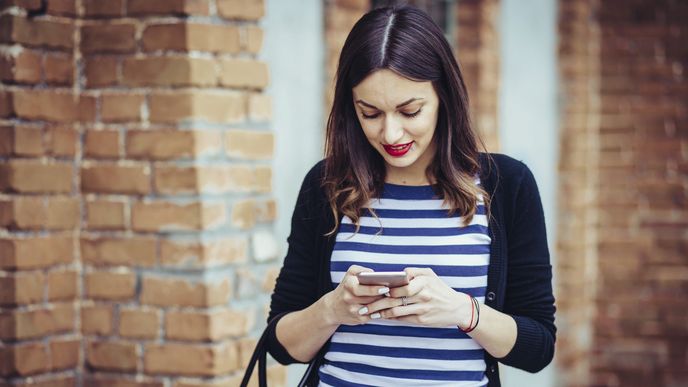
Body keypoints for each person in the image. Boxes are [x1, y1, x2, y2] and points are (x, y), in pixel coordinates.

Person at [266, 5, 556, 387]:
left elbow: (538, 349)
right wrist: (333, 309)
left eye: (410, 111)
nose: (390, 134)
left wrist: (463, 311)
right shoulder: (326, 185)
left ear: (444, 98)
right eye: (370, 113)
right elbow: (282, 346)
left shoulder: (507, 186)